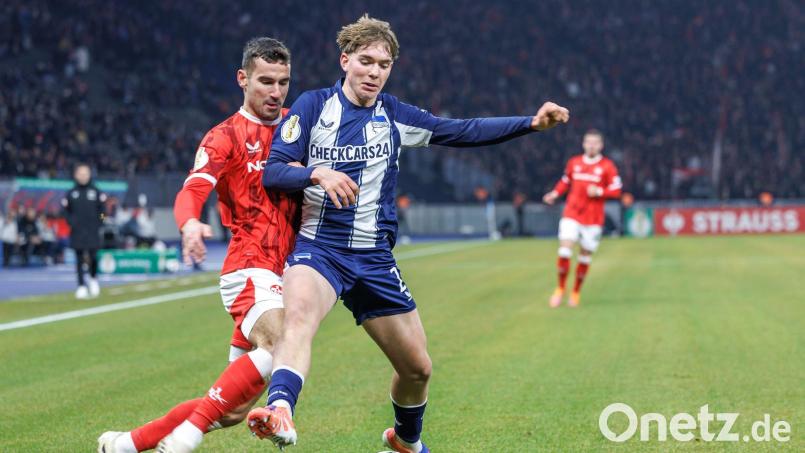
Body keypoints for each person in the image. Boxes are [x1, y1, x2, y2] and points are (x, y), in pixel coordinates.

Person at [246, 15, 569, 453]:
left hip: (375, 259)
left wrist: (530, 123)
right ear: (345, 61)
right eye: (366, 61)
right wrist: (317, 173)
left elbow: (462, 131)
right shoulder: (313, 106)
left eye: (384, 64)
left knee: (417, 369)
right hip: (320, 249)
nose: (375, 72)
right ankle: (280, 410)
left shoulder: (395, 115)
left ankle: (404, 441)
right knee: (298, 321)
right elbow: (274, 172)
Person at [97, 37, 300, 453]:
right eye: (265, 81)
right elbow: (193, 188)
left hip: (286, 274)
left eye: (283, 82)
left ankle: (127, 444)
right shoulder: (223, 136)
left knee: (232, 411)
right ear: (242, 79)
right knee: (283, 343)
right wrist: (189, 224)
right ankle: (185, 440)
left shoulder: (297, 128)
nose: (275, 92)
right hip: (249, 268)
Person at [542, 129, 622, 307]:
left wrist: (600, 191)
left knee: (585, 256)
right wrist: (554, 194)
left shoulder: (607, 166)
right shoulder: (574, 162)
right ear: (583, 144)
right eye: (588, 142)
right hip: (572, 213)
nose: (591, 145)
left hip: (593, 219)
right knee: (565, 249)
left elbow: (617, 190)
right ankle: (560, 289)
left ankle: (576, 292)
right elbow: (565, 181)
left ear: (601, 145)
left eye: (595, 143)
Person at [62, 164, 106, 298]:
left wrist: (100, 222)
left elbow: (103, 211)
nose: (83, 176)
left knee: (93, 257)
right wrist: (71, 222)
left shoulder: (96, 191)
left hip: (93, 230)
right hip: (77, 231)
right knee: (79, 258)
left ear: (89, 174)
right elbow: (65, 212)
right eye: (80, 173)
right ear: (76, 175)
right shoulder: (71, 193)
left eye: (85, 173)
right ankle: (81, 285)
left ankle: (93, 279)